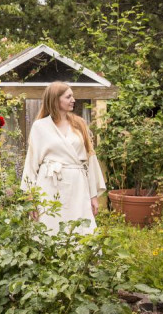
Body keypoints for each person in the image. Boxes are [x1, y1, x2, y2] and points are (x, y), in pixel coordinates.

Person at [20, 81, 106, 235]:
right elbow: (31, 164)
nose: (73, 100)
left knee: (80, 227)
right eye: (68, 97)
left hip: (78, 185)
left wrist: (93, 196)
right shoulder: (40, 127)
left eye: (72, 96)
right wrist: (31, 199)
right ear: (55, 100)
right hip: (49, 185)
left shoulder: (80, 124)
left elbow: (90, 159)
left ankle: (81, 258)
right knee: (49, 225)